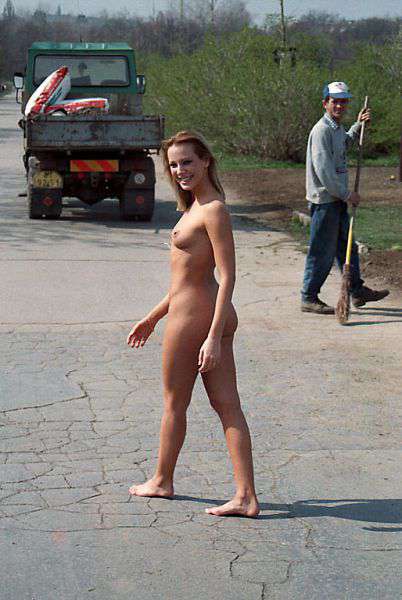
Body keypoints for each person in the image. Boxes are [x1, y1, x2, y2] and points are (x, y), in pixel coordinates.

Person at [127, 131, 260, 518]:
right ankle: (245, 496)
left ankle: (162, 480)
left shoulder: (213, 210)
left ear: (206, 161)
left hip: (197, 320)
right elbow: (184, 281)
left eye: (187, 162)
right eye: (173, 164)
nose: (179, 170)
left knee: (175, 404)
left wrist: (213, 336)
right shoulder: (195, 208)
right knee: (226, 405)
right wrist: (153, 317)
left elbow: (227, 275)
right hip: (194, 312)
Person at [301, 81, 389, 314]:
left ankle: (356, 291)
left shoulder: (336, 128)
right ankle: (309, 296)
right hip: (325, 201)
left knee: (347, 247)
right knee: (322, 251)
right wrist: (348, 194)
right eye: (335, 101)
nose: (339, 106)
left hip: (337, 200)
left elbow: (344, 145)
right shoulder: (321, 131)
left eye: (343, 102)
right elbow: (324, 172)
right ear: (325, 103)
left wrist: (358, 126)